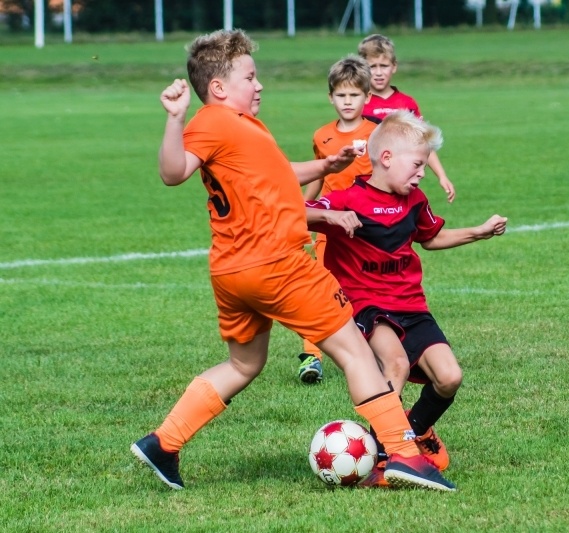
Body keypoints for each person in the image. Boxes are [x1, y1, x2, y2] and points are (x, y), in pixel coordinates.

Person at [130, 29, 455, 492]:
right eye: (249, 77)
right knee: (355, 350)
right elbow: (173, 171)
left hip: (233, 271)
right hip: (278, 264)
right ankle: (404, 453)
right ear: (218, 87)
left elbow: (275, 174)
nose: (259, 84)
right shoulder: (214, 121)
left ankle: (164, 443)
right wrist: (174, 118)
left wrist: (325, 166)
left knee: (243, 365)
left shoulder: (239, 127)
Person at [306, 110, 507, 488]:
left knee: (449, 377)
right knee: (395, 363)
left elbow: (431, 238)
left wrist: (478, 232)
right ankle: (383, 458)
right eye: (417, 164)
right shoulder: (348, 199)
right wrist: (330, 219)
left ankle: (416, 430)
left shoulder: (414, 200)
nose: (422, 173)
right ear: (386, 158)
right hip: (365, 304)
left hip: (411, 305)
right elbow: (291, 214)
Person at [295, 55, 379, 385]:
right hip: (329, 227)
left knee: (368, 289)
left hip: (366, 228)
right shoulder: (322, 136)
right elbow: (320, 174)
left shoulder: (377, 134)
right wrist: (304, 209)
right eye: (341, 95)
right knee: (320, 290)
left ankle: (373, 349)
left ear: (367, 96)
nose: (347, 101)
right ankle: (311, 356)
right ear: (330, 97)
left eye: (354, 95)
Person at [357, 33, 456, 204]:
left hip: (399, 183)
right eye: (372, 66)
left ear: (394, 66)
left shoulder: (406, 103)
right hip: (366, 183)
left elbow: (423, 142)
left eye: (384, 66)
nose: (378, 72)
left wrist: (442, 175)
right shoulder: (358, 102)